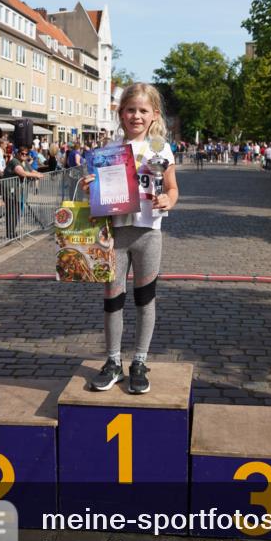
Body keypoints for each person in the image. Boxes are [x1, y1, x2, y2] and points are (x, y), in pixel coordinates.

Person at [80, 82, 178, 396]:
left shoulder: (160, 148)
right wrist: (89, 187)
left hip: (149, 233)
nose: (137, 116)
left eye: (143, 110)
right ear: (121, 113)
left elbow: (172, 187)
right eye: (131, 110)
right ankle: (112, 362)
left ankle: (139, 361)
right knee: (113, 299)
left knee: (145, 299)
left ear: (154, 115)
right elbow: (98, 192)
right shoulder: (109, 151)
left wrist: (169, 200)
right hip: (116, 233)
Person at [0, 146, 44, 239]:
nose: (24, 155)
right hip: (9, 190)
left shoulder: (25, 162)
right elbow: (22, 173)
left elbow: (31, 170)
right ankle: (10, 233)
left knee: (16, 211)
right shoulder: (15, 161)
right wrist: (36, 175)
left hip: (17, 191)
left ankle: (12, 232)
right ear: (18, 153)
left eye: (26, 154)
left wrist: (38, 173)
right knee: (12, 212)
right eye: (22, 153)